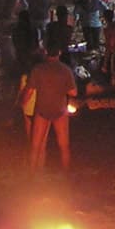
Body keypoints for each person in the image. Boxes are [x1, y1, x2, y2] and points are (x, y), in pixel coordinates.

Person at [28, 41, 78, 171]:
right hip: (60, 110)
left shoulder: (38, 69)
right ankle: (66, 173)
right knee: (64, 146)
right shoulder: (65, 70)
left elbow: (29, 90)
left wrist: (21, 105)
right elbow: (73, 92)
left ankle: (33, 174)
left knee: (36, 146)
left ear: (45, 53)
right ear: (59, 53)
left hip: (41, 110)